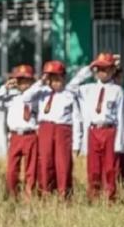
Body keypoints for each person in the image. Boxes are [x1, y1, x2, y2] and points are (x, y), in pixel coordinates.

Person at [68, 53, 124, 202]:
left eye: (106, 69)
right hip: (93, 131)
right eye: (99, 68)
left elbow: (120, 117)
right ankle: (93, 198)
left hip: (109, 130)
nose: (102, 72)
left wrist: (119, 143)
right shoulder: (88, 89)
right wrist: (88, 69)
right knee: (93, 167)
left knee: (110, 167)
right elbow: (71, 87)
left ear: (113, 70)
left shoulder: (118, 91)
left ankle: (110, 199)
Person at [21, 61, 83, 199]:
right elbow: (25, 97)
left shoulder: (69, 95)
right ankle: (46, 193)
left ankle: (64, 195)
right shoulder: (42, 91)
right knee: (45, 162)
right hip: (45, 128)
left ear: (64, 78)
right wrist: (41, 81)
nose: (55, 82)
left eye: (58, 79)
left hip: (63, 129)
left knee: (63, 163)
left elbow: (77, 120)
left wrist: (77, 143)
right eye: (52, 79)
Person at [0, 64, 38, 199]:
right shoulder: (11, 98)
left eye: (26, 81)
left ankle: (29, 194)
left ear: (32, 82)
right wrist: (5, 88)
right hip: (15, 136)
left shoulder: (36, 98)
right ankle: (12, 194)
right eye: (20, 81)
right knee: (12, 168)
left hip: (30, 135)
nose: (23, 84)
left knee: (31, 167)